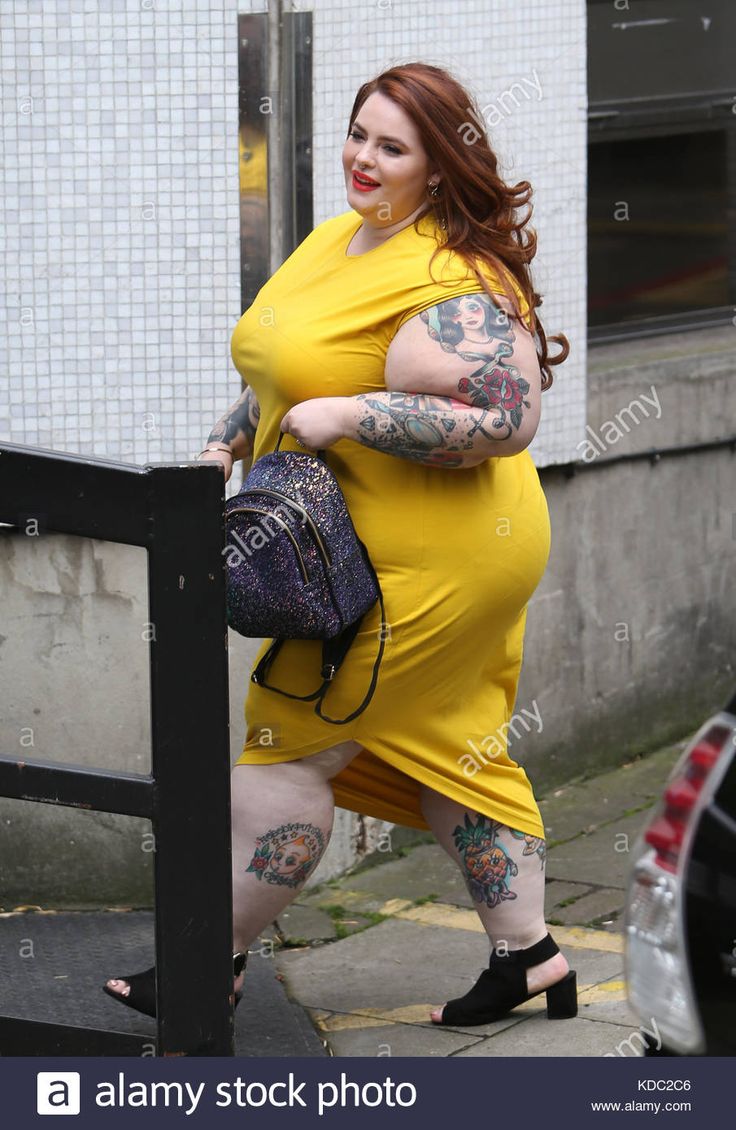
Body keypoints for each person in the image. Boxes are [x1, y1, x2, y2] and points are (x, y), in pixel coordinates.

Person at [103, 61, 575, 1030]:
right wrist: (230, 435)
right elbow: (290, 365)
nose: (362, 156)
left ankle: (208, 965)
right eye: (359, 132)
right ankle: (532, 955)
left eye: (392, 146)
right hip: (387, 551)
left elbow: (511, 411)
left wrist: (352, 411)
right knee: (447, 747)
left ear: (438, 169)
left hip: (427, 563)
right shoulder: (338, 240)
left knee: (289, 743)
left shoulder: (451, 275)